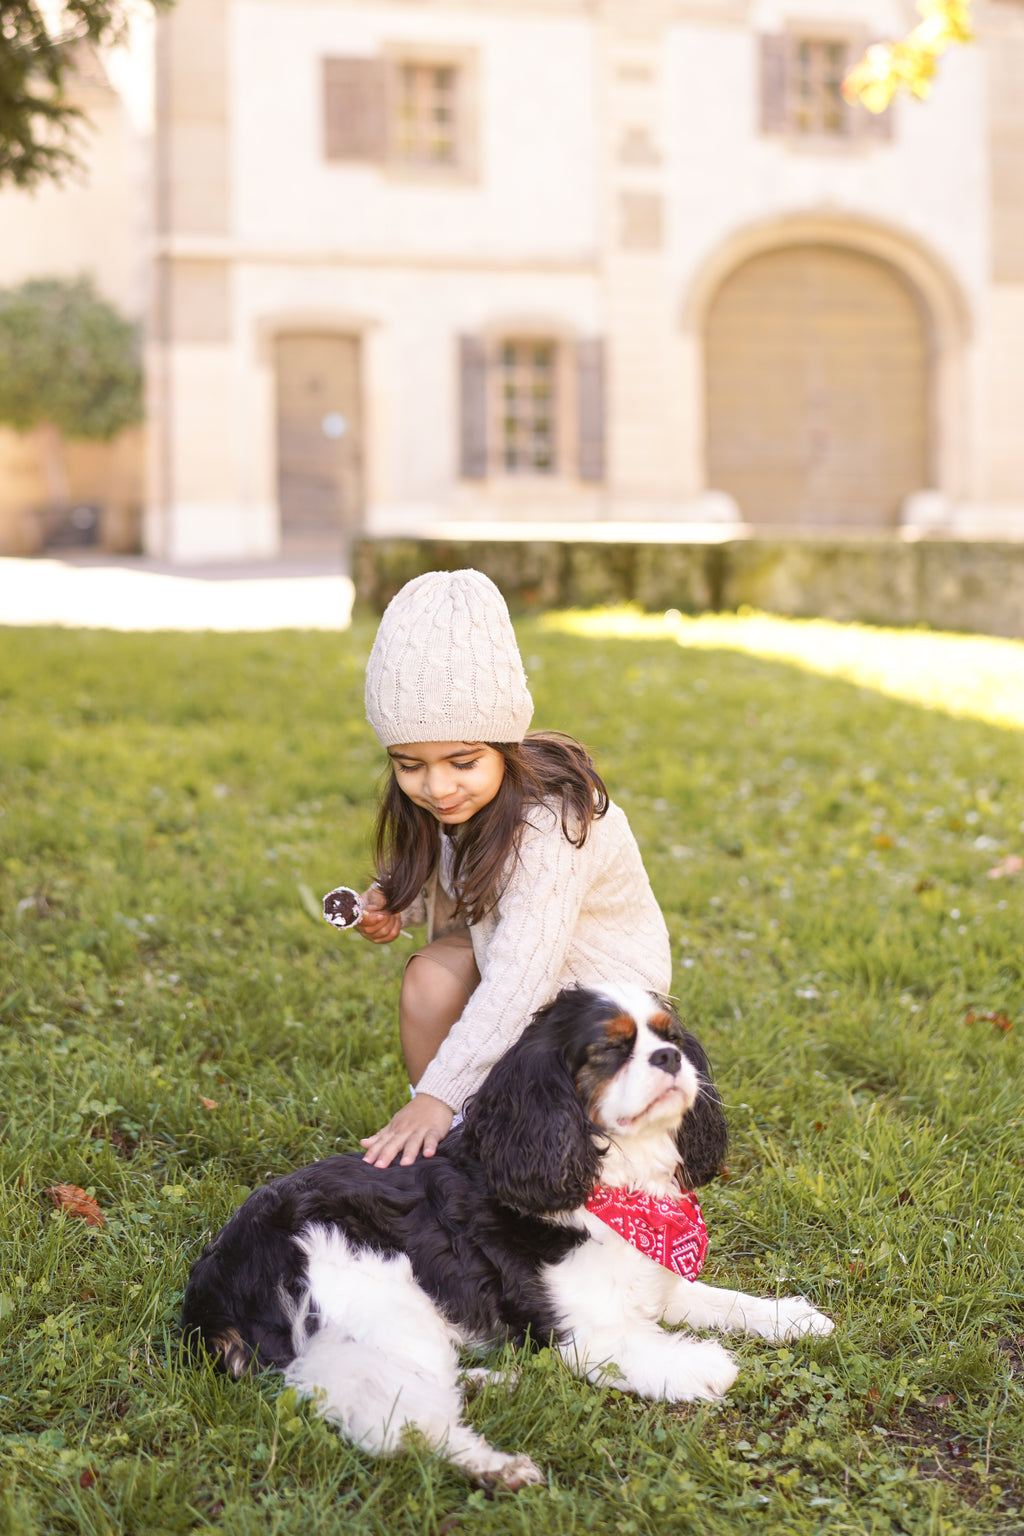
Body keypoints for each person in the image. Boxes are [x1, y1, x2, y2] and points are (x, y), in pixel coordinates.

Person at [354, 569, 671, 1169]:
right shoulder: (457, 801)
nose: (437, 786)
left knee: (569, 1155)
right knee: (431, 976)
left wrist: (436, 1094)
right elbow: (457, 876)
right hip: (514, 959)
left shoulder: (550, 826)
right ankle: (465, 1144)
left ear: (503, 744)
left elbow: (523, 979)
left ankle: (475, 1119)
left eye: (461, 761)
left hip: (595, 995)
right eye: (408, 765)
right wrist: (396, 900)